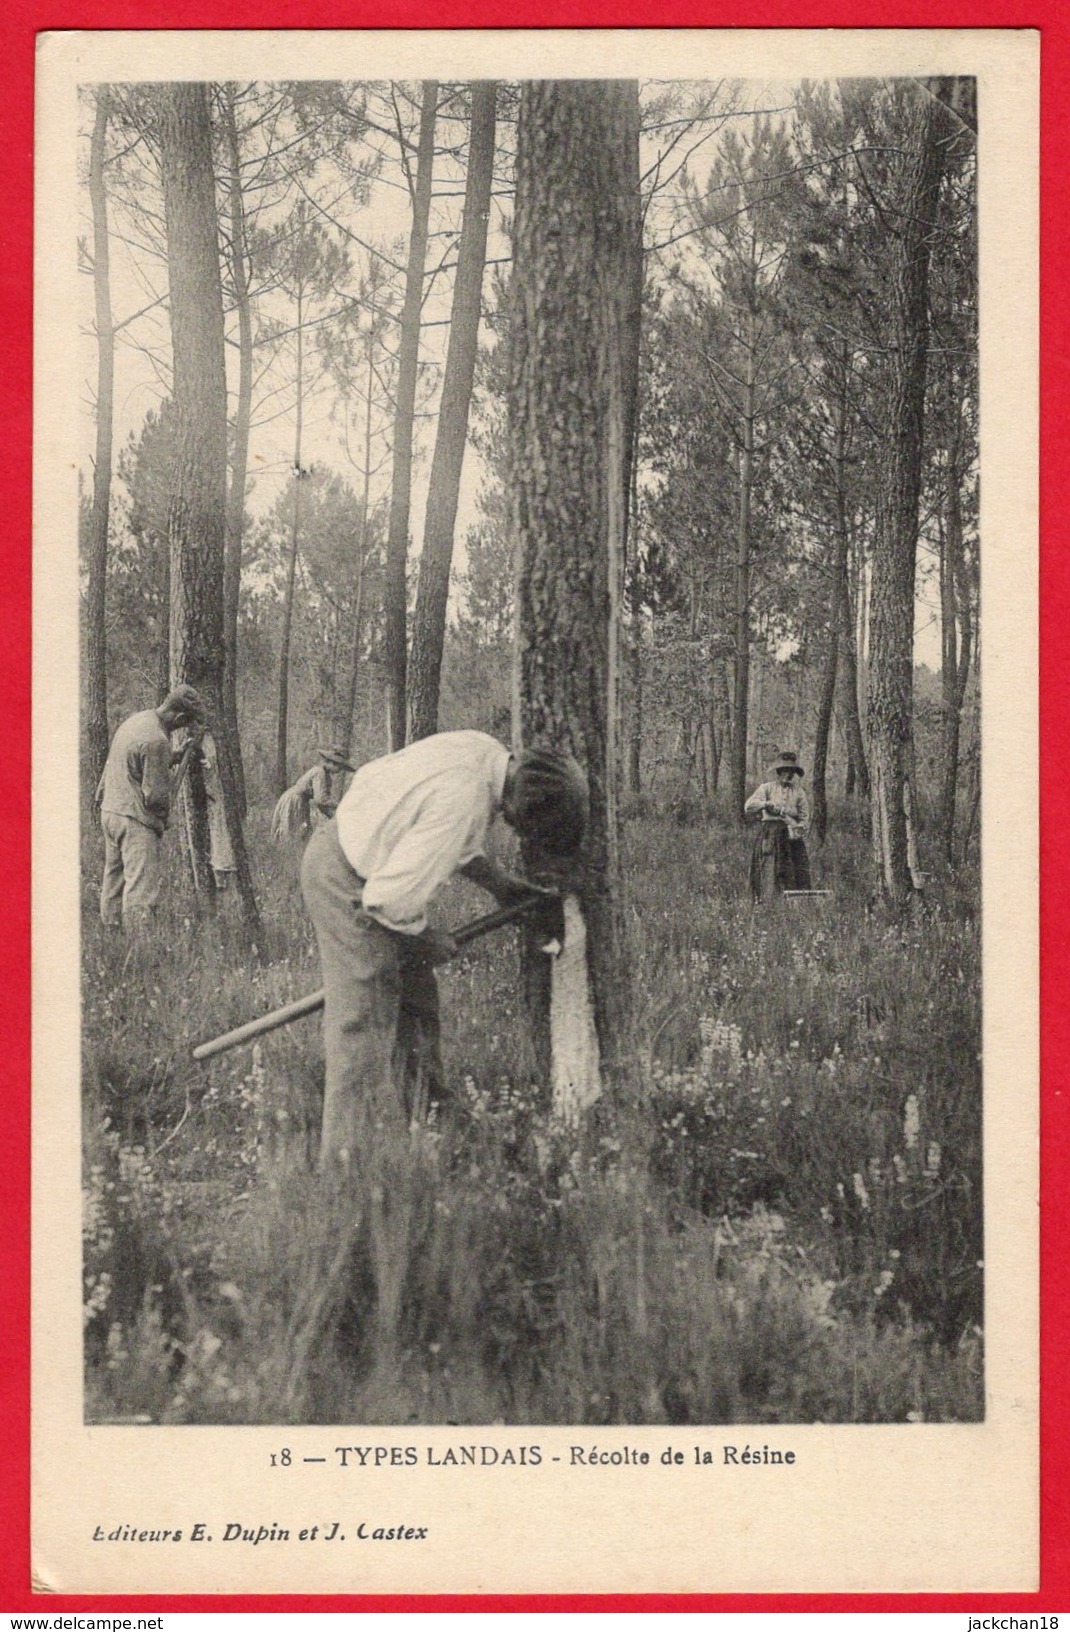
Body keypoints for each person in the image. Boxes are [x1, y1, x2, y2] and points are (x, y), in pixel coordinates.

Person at [300, 729, 588, 1169]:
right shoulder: (465, 799)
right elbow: (389, 901)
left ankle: (439, 1131)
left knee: (417, 1009)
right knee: (362, 1019)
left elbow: (452, 841)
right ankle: (344, 1174)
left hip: (373, 860)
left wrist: (501, 887)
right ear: (519, 808)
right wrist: (428, 939)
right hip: (345, 877)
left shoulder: (485, 753)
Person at [96, 686, 206, 929]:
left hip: (112, 811)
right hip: (135, 820)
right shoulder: (157, 740)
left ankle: (112, 940)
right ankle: (141, 953)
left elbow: (137, 762)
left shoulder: (138, 720)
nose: (181, 728)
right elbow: (155, 797)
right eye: (183, 724)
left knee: (114, 883)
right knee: (140, 892)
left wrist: (176, 755)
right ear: (178, 718)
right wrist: (163, 819)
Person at [744, 749, 812, 902]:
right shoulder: (766, 788)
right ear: (779, 771)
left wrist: (798, 828)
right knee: (769, 866)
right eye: (785, 770)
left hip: (791, 836)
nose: (788, 774)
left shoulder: (799, 792)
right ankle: (768, 901)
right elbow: (749, 806)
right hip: (771, 834)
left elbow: (805, 817)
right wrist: (766, 804)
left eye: (791, 771)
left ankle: (795, 902)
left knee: (794, 868)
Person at [272, 745, 356, 840]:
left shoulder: (326, 777)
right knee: (292, 834)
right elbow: (321, 799)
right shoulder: (319, 773)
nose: (339, 771)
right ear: (332, 763)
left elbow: (321, 803)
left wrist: (334, 817)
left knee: (302, 833)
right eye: (339, 768)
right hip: (294, 800)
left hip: (301, 801)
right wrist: (340, 805)